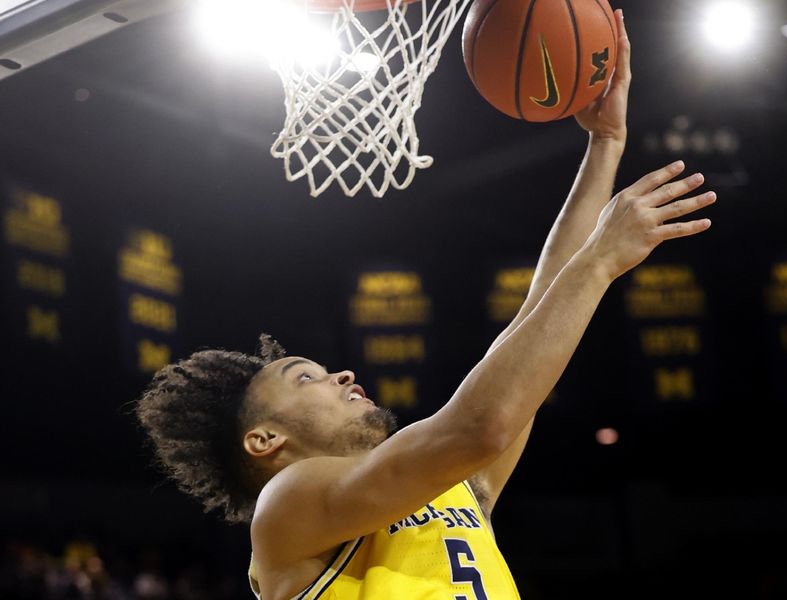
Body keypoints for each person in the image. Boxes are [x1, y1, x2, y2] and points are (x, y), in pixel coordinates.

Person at [135, 11, 716, 600]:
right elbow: (481, 425)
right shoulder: (287, 508)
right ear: (264, 441)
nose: (341, 374)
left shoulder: (450, 486)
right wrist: (598, 261)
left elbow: (536, 319)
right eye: (306, 377)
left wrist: (604, 144)